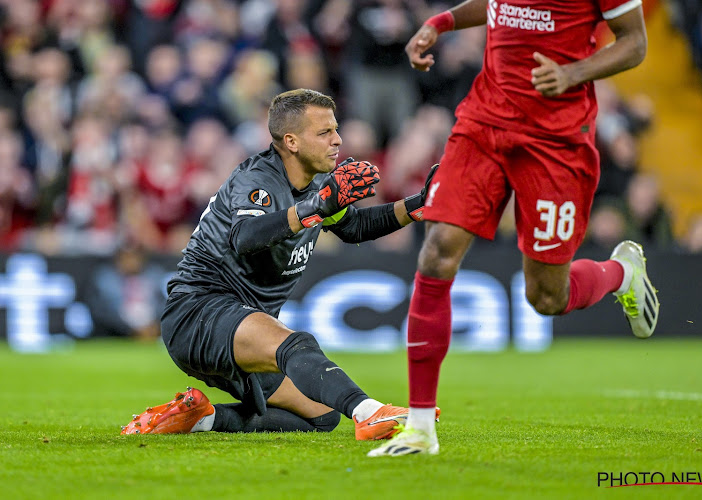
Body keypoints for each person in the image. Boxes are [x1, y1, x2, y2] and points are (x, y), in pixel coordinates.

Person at [368, 0, 659, 457]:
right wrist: (440, 22)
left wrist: (573, 73)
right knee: (438, 249)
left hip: (555, 140)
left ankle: (622, 272)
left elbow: (635, 43)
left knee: (546, 297)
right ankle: (420, 427)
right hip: (483, 123)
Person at [121, 88, 439, 439]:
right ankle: (369, 412)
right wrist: (315, 207)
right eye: (324, 133)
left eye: (335, 129)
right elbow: (245, 237)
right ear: (291, 141)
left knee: (322, 414)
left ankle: (199, 418)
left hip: (242, 323)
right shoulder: (257, 179)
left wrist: (418, 206)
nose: (338, 140)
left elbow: (355, 226)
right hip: (198, 313)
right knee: (296, 345)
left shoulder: (316, 183)